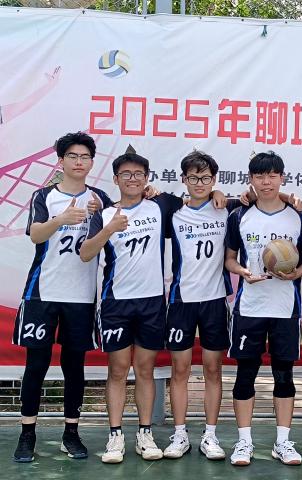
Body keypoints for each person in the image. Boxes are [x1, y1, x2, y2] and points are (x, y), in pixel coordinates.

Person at [80, 148, 193, 464]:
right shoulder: (104, 214)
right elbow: (86, 253)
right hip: (116, 303)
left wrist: (221, 194)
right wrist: (109, 229)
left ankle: (145, 433)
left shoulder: (160, 205)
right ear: (116, 179)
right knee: (117, 370)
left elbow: (200, 200)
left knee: (145, 369)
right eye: (126, 174)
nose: (133, 179)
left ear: (147, 178)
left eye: (138, 174)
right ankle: (115, 435)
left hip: (152, 303)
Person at [12, 131, 109, 462]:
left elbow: (122, 219)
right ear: (61, 161)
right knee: (36, 364)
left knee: (74, 366)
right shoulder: (44, 196)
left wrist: (103, 212)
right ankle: (27, 434)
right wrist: (62, 219)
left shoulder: (99, 198)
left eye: (85, 157)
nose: (79, 162)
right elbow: (35, 235)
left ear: (92, 162)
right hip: (43, 292)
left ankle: (71, 433)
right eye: (73, 156)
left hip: (81, 296)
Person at [224, 151, 302, 466]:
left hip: (285, 309)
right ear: (251, 179)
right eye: (260, 176)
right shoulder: (239, 216)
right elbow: (229, 259)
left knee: (284, 376)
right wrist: (243, 272)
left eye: (272, 175)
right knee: (245, 375)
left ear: (282, 178)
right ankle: (244, 442)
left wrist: (297, 272)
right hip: (250, 307)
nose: (266, 182)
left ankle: (283, 442)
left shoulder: (298, 216)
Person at [162, 150, 244, 460]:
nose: (200, 183)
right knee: (180, 369)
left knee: (212, 368)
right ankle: (180, 434)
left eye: (206, 178)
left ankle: (210, 435)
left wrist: (220, 194)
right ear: (184, 179)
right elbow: (143, 196)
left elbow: (256, 197)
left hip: (214, 301)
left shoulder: (227, 210)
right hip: (181, 301)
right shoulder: (172, 211)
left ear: (214, 179)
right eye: (194, 177)